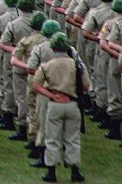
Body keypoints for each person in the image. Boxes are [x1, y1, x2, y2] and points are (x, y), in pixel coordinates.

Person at [32, 32, 90, 183]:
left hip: (55, 104)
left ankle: (51, 172)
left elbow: (36, 85)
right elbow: (86, 85)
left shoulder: (47, 65)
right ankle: (75, 171)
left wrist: (51, 95)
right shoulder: (77, 64)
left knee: (52, 138)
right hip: (73, 104)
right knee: (73, 139)